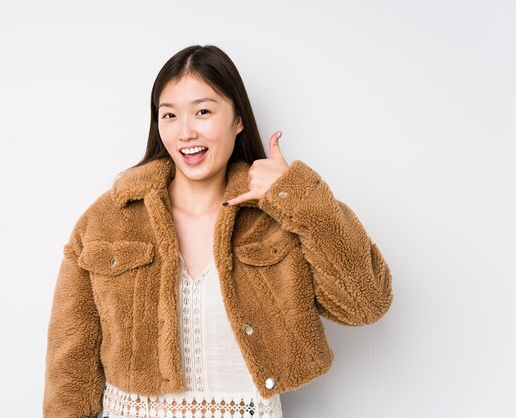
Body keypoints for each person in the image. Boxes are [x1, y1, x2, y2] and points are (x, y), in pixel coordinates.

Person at [43, 45, 393, 418]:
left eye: (203, 111)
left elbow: (365, 304)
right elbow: (70, 362)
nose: (185, 132)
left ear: (238, 118)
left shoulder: (279, 216)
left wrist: (299, 194)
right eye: (170, 115)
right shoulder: (107, 219)